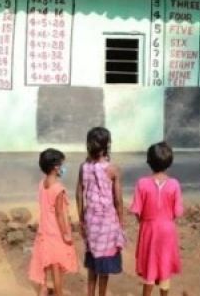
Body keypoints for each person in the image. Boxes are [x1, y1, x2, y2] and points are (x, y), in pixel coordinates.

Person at [76, 127, 126, 296]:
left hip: (91, 221)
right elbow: (118, 200)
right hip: (108, 223)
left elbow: (78, 194)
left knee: (92, 264)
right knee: (104, 268)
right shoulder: (113, 169)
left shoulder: (84, 167)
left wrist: (81, 217)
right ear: (107, 146)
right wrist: (121, 221)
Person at [130, 142, 184, 296]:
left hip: (148, 229)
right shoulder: (174, 184)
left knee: (150, 265)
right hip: (167, 230)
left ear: (149, 162)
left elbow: (136, 210)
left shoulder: (142, 183)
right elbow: (177, 212)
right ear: (170, 162)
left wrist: (144, 221)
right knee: (164, 264)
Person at [29, 148, 78, 296]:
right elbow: (59, 214)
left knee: (45, 262)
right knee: (56, 267)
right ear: (56, 167)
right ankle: (58, 293)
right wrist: (66, 234)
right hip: (55, 232)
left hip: (44, 229)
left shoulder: (42, 184)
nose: (63, 168)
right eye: (62, 165)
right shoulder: (58, 189)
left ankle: (43, 290)